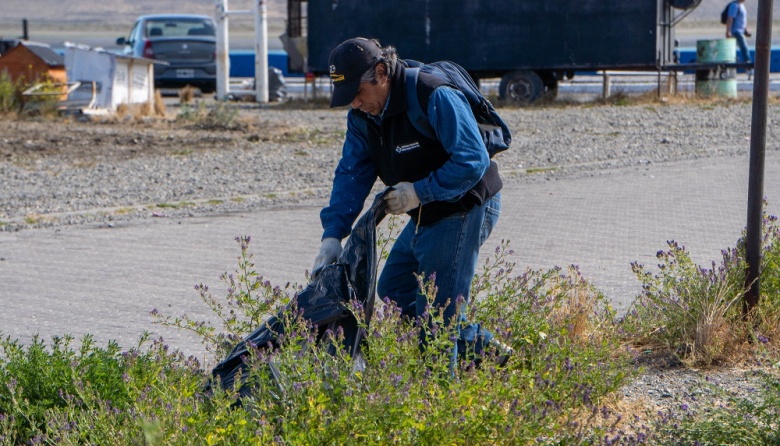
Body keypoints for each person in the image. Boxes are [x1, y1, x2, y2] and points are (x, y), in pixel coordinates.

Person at [311, 37, 509, 370]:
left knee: (437, 316)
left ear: (381, 72)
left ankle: (440, 402)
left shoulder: (432, 95)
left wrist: (419, 192)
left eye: (357, 93)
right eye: (347, 99)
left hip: (464, 207)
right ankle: (493, 355)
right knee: (394, 293)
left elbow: (472, 161)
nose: (355, 104)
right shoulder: (362, 117)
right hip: (425, 212)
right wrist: (332, 235)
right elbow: (351, 174)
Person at [725, 0, 753, 75]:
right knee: (744, 48)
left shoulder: (742, 6)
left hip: (741, 31)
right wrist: (728, 31)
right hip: (736, 31)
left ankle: (744, 66)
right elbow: (730, 18)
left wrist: (746, 31)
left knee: (738, 49)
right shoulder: (734, 5)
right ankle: (748, 66)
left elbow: (742, 20)